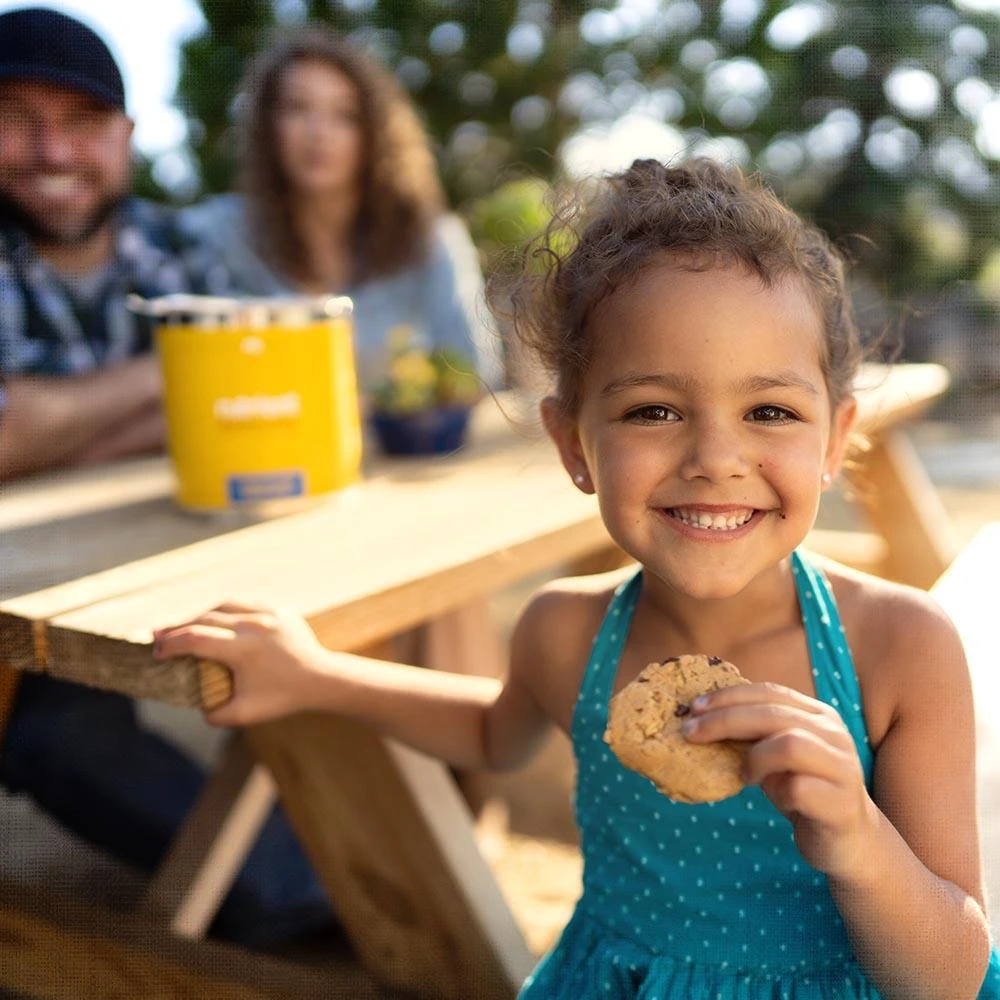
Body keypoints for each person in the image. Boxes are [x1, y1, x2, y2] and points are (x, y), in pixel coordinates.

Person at [152, 157, 1000, 997]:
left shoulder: (898, 648)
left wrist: (859, 840)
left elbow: (952, 978)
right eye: (652, 411)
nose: (715, 459)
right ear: (572, 445)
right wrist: (314, 674)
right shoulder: (566, 632)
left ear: (832, 438)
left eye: (769, 411)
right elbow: (493, 733)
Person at [0, 6, 333, 948]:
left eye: (81, 120)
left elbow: (263, 404)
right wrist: (171, 377)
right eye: (16, 114)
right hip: (27, 619)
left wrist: (46, 420)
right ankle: (311, 898)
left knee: (349, 633)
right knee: (60, 734)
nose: (51, 147)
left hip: (168, 569)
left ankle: (354, 866)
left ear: (127, 138)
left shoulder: (177, 244)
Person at [177, 24, 503, 394]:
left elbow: (477, 377)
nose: (319, 132)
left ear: (375, 133)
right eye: (298, 108)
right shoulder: (220, 234)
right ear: (267, 125)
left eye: (345, 115)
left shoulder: (430, 240)